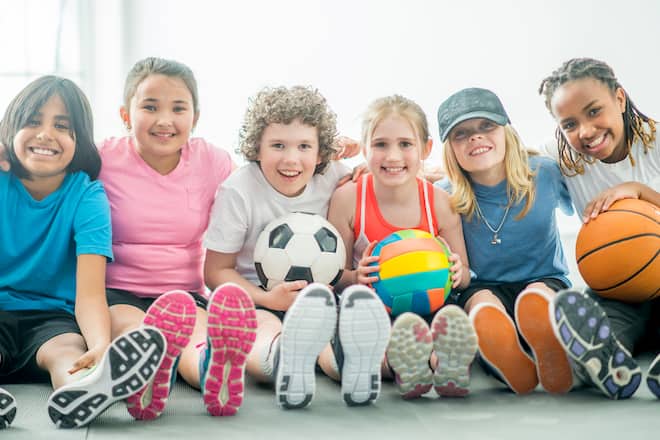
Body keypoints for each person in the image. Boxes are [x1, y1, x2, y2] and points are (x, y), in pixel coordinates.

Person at [203, 85, 389, 409]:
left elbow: (383, 180)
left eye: (304, 146)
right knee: (263, 327)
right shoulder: (238, 191)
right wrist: (266, 298)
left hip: (319, 298)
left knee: (327, 333)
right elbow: (215, 271)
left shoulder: (333, 177)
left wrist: (352, 278)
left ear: (321, 154)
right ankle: (280, 359)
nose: (291, 158)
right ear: (256, 149)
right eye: (278, 145)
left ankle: (348, 367)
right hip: (258, 295)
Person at [0, 76, 165, 429]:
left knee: (67, 353)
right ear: (10, 128)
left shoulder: (88, 196)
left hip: (52, 319)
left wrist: (100, 345)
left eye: (62, 126)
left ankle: (83, 391)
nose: (46, 134)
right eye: (33, 121)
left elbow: (90, 294)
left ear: (79, 140)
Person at [97, 57, 256, 418]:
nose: (165, 120)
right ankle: (147, 372)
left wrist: (336, 164)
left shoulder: (212, 162)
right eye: (150, 107)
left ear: (195, 118)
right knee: (136, 329)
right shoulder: (101, 157)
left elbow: (265, 180)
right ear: (126, 115)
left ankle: (211, 369)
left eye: (178, 108)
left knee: (195, 339)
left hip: (185, 294)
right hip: (119, 292)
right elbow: (48, 163)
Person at [328, 95, 477, 399]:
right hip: (375, 307)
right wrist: (355, 277)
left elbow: (464, 275)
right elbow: (335, 275)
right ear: (365, 148)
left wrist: (458, 271)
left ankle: (445, 364)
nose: (392, 156)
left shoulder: (439, 202)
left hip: (429, 305)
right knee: (354, 317)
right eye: (381, 144)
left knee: (450, 315)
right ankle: (400, 363)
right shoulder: (348, 199)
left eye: (405, 144)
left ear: (426, 149)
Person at [436, 87, 574, 395]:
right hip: (483, 285)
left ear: (507, 132)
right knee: (481, 306)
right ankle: (507, 357)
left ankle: (550, 346)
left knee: (538, 297)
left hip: (543, 278)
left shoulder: (545, 173)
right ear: (450, 150)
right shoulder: (445, 195)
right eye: (461, 134)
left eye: (487, 126)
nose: (476, 137)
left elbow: (587, 201)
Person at [538, 57, 660, 399]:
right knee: (601, 319)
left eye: (594, 111)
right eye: (570, 124)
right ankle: (608, 364)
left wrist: (640, 192)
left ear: (619, 99)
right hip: (622, 288)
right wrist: (420, 171)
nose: (586, 131)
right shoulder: (565, 160)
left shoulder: (656, 142)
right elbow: (504, 159)